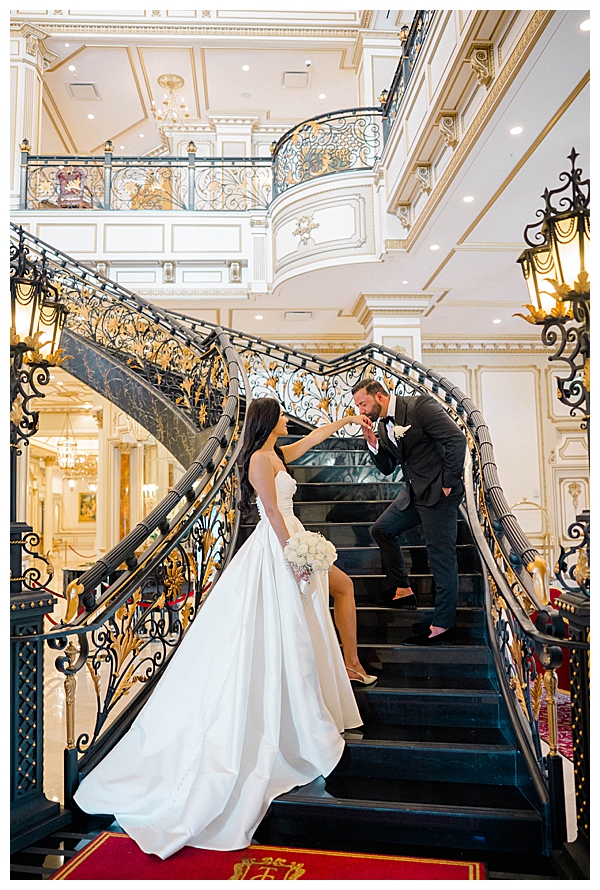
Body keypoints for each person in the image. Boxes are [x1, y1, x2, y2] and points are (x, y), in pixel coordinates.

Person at [74, 397, 374, 859]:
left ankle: (336, 674)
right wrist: (294, 555)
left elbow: (312, 439)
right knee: (281, 630)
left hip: (294, 539)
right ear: (268, 421)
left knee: (307, 622)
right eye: (282, 415)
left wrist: (346, 420)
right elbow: (272, 512)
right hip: (280, 545)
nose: (288, 420)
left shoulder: (277, 452)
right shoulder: (258, 460)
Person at [351, 378, 466, 645]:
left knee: (441, 557)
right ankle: (403, 589)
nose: (361, 411)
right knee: (382, 529)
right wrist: (372, 442)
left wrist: (448, 483)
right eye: (358, 406)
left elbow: (456, 440)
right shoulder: (382, 425)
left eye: (363, 404)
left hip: (438, 493)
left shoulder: (420, 407)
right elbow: (387, 467)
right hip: (413, 494)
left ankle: (443, 624)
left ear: (379, 396)